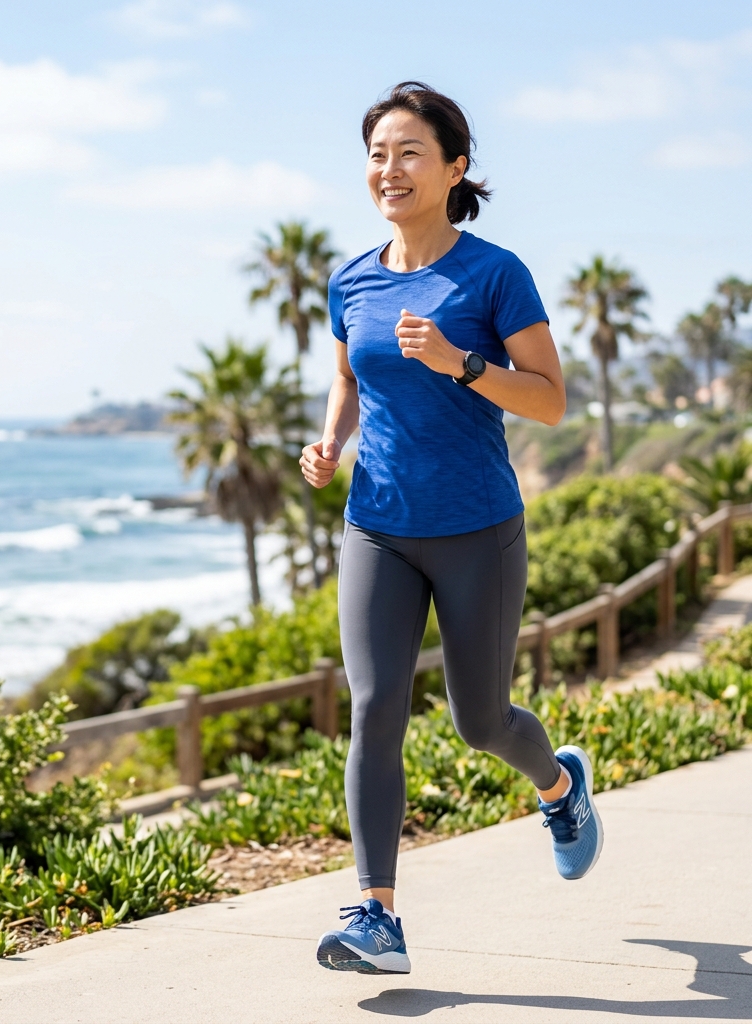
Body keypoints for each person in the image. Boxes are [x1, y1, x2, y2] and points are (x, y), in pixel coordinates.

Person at [302, 82, 603, 976]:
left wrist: (463, 362)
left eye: (408, 154)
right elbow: (352, 379)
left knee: (481, 721)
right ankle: (376, 915)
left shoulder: (493, 273)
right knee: (375, 708)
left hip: (477, 528)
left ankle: (559, 785)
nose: (387, 170)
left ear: (454, 167)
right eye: (376, 155)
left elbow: (549, 401)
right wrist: (328, 444)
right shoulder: (349, 278)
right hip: (379, 528)